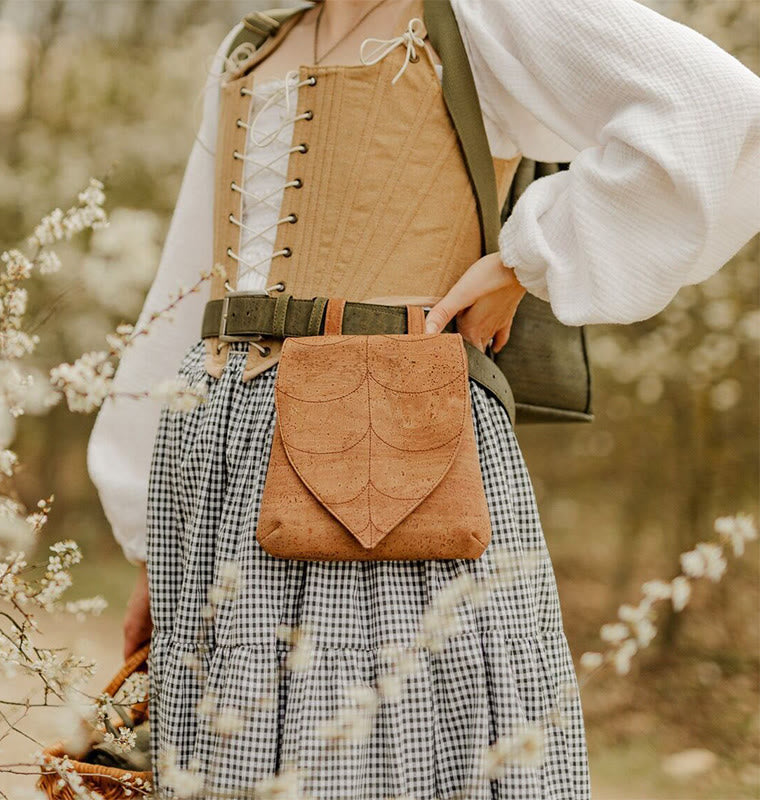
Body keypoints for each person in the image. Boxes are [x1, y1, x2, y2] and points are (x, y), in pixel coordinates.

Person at [86, 0, 760, 797]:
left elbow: (721, 108)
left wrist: (526, 262)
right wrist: (147, 542)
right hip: (217, 453)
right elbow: (190, 284)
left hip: (392, 441)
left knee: (377, 739)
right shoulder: (252, 43)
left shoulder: (478, 15)